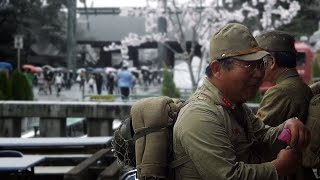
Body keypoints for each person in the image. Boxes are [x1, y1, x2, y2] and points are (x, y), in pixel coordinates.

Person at [173, 23, 310, 180]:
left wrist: (286, 128)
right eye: (248, 65)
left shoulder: (235, 105)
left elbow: (262, 137)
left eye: (260, 64)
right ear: (217, 69)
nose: (259, 74)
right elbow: (227, 176)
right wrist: (277, 168)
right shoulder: (199, 115)